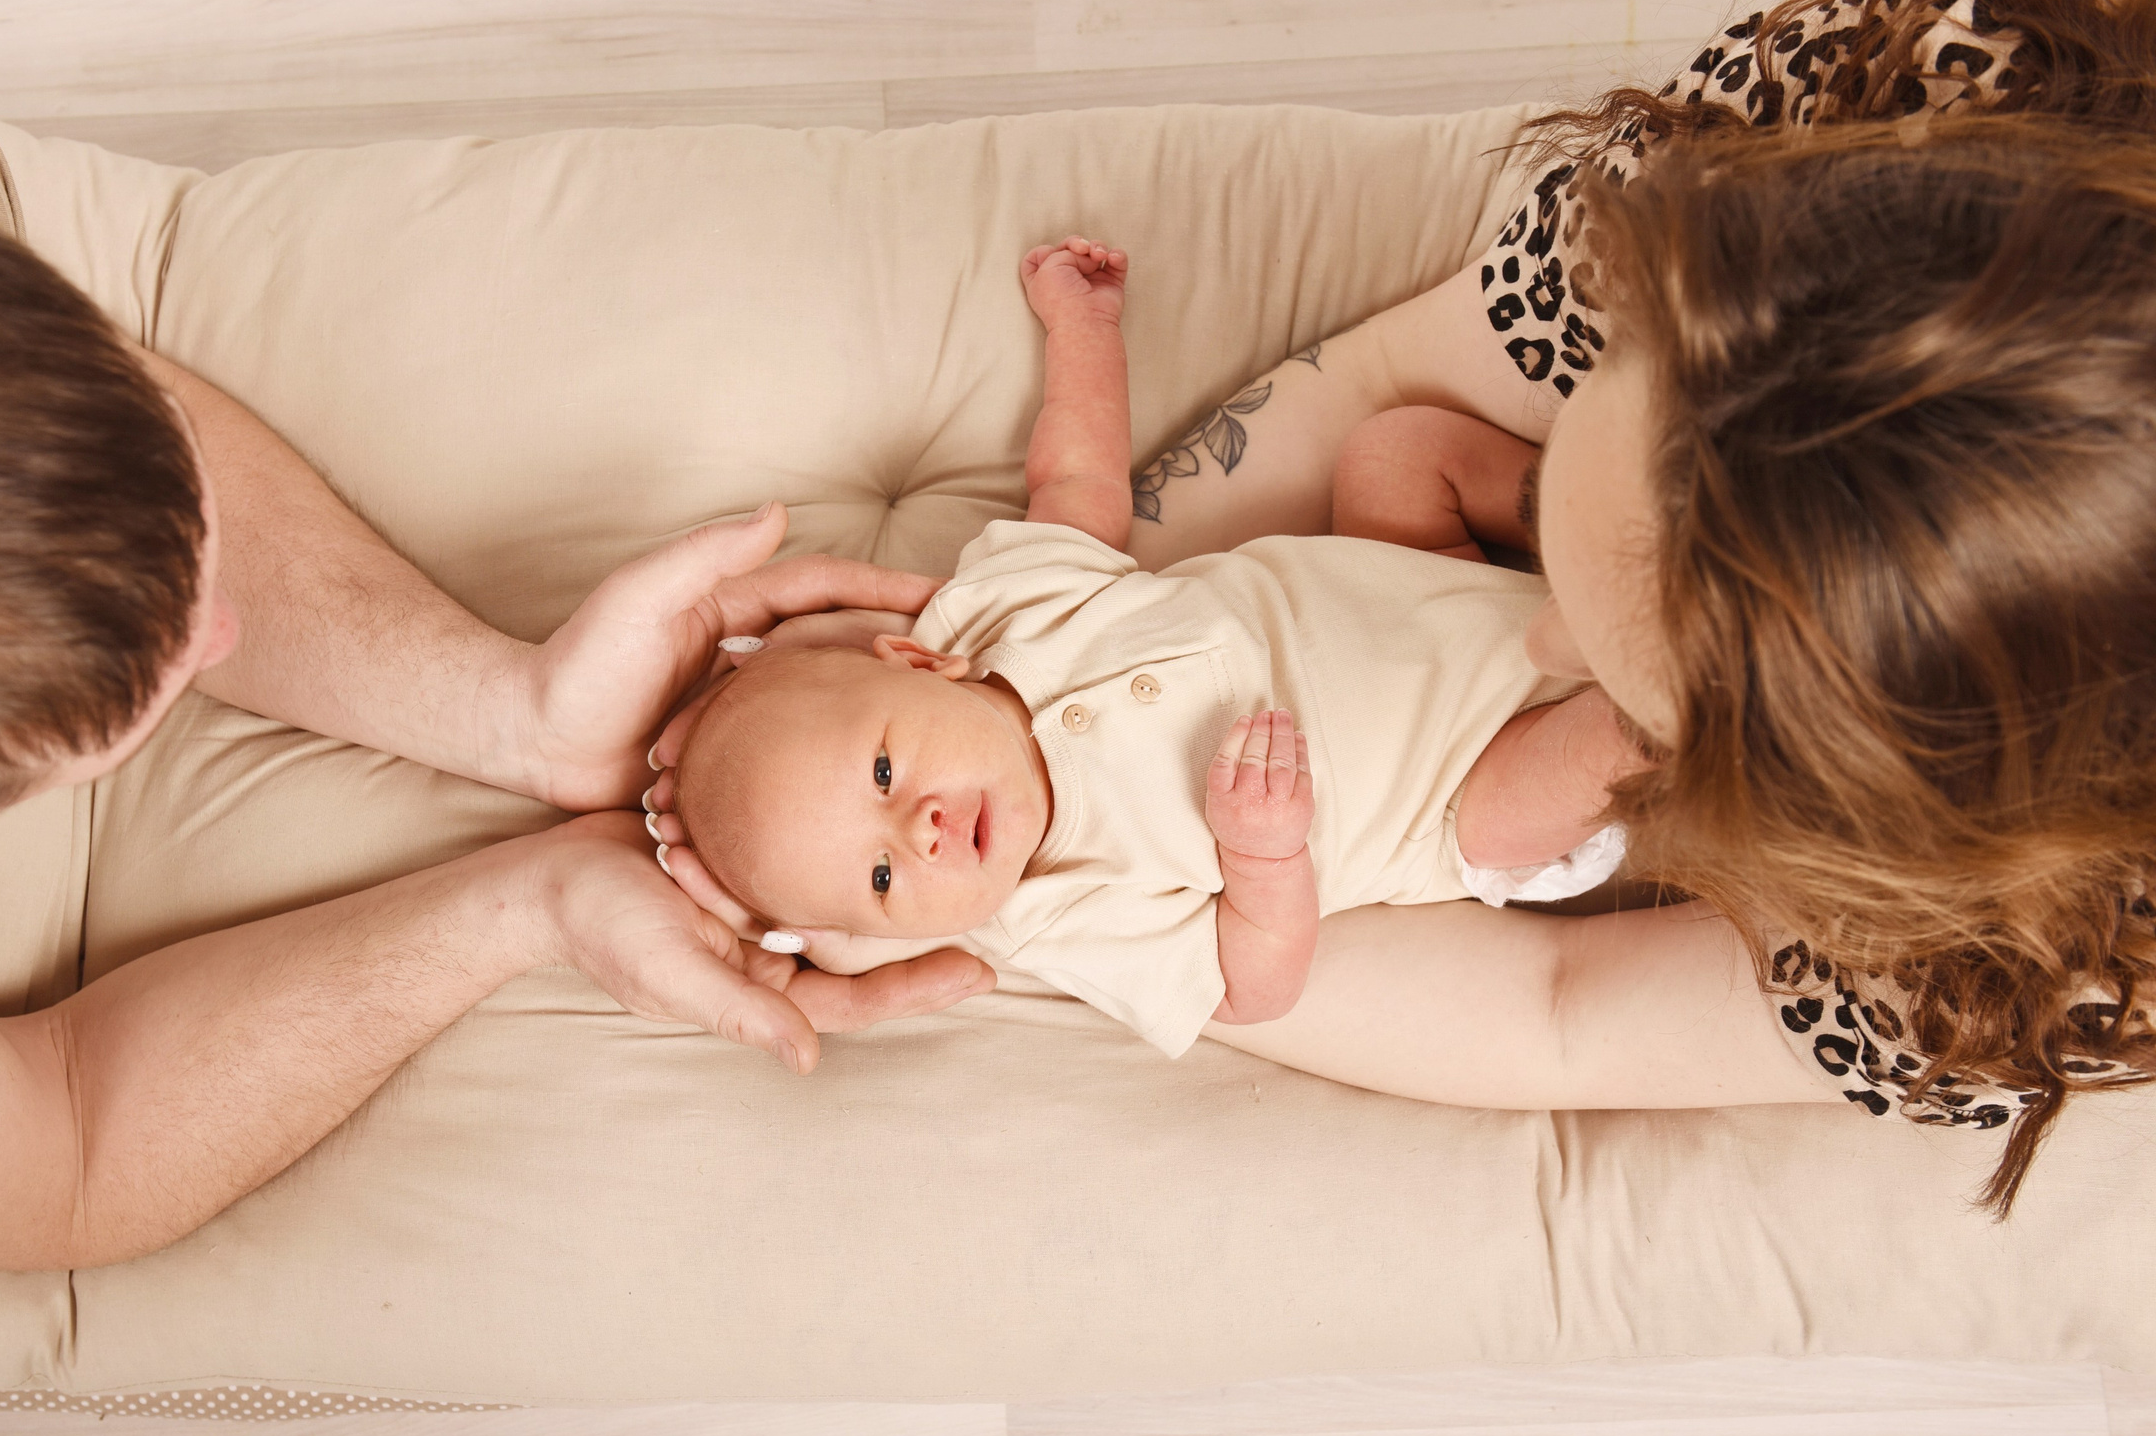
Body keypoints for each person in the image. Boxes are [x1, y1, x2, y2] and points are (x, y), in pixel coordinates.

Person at [0, 0, 987, 1331]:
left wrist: (512, 714)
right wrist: (529, 907)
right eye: (118, 718)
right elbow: (69, 1143)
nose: (220, 636)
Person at [1092, 0, 2156, 1214]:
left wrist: (1080, 904)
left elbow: (1564, 1017)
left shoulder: (2065, 975)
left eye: (1643, 701)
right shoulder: (1905, 86)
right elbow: (1393, 385)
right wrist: (997, 669)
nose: (1536, 639)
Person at [645, 237, 1640, 1051]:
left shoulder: (1004, 610)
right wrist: (1263, 853)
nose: (924, 830)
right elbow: (1248, 989)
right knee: (1604, 735)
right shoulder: (1055, 912)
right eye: (881, 878)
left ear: (919, 661)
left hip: (1430, 582)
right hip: (1464, 784)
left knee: (1396, 451)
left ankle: (1634, 534)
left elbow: (1076, 480)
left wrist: (1082, 328)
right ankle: (1687, 657)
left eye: (883, 769)